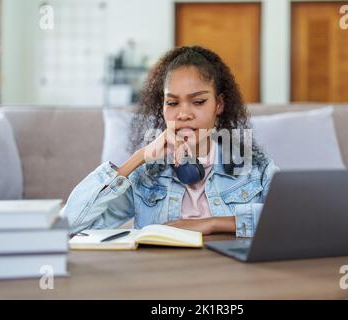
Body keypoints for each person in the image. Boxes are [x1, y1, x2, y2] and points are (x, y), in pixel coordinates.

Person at [63, 45, 279, 237]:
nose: (183, 114)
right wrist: (139, 158)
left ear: (219, 105)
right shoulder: (146, 175)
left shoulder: (254, 167)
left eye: (198, 101)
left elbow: (294, 218)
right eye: (172, 103)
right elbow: (68, 226)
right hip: (162, 276)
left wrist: (212, 224)